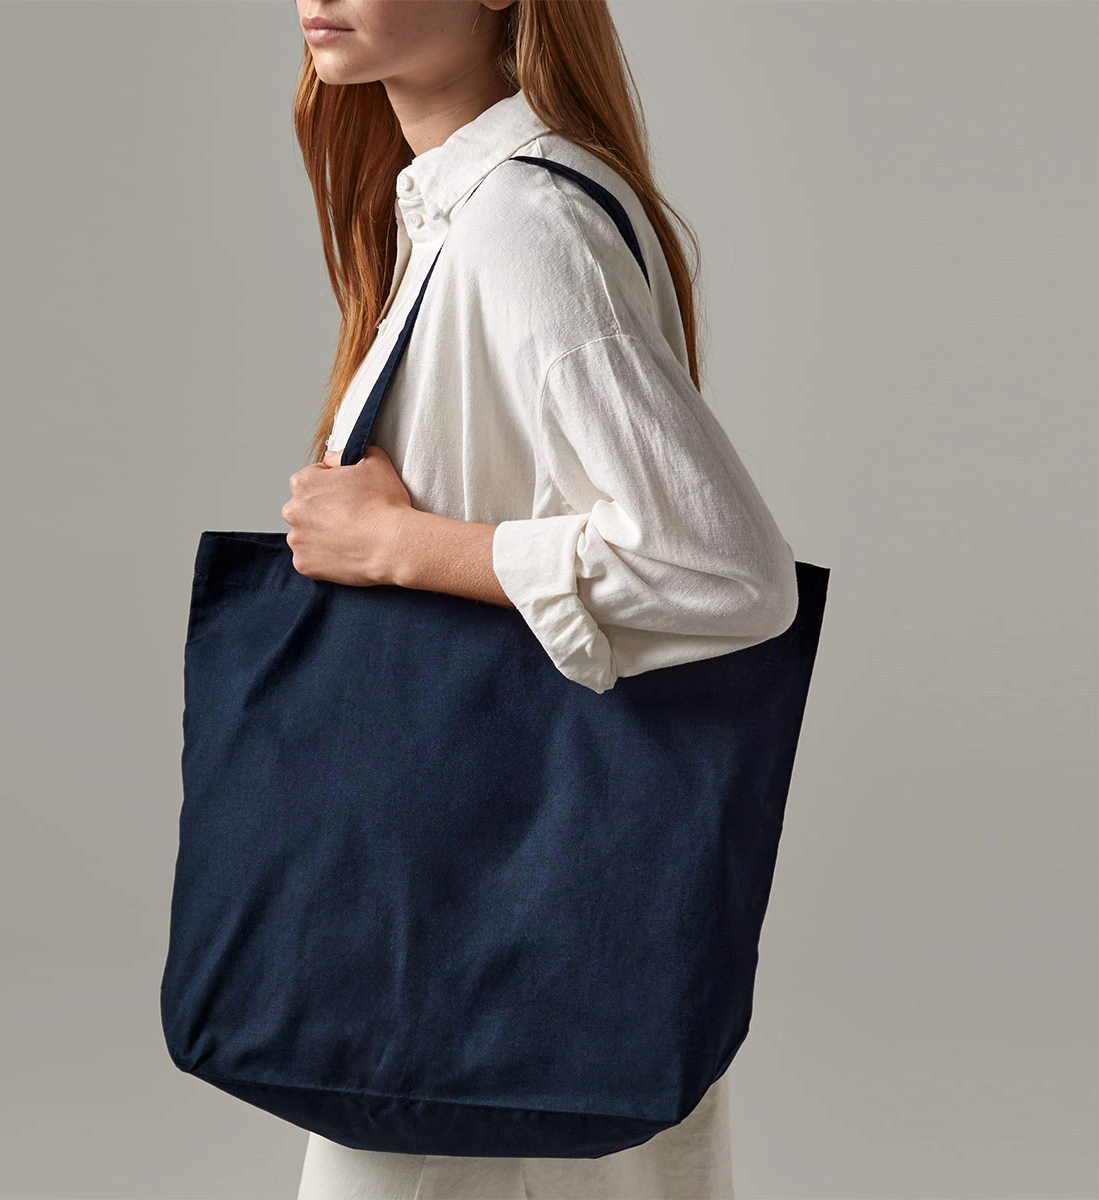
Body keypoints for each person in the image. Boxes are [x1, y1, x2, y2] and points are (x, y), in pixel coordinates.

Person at [283, 2, 799, 1196]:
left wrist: (401, 547)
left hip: (490, 884)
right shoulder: (463, 208)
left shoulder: (525, 220)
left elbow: (728, 571)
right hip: (521, 874)